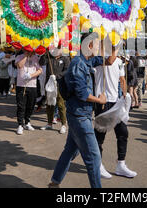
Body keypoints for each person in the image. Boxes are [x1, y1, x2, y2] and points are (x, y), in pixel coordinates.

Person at [49, 32, 117, 188]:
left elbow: (109, 61)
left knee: (70, 151)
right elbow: (82, 93)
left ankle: (54, 183)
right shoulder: (78, 63)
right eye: (98, 44)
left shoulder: (88, 60)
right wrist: (99, 99)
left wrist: (116, 43)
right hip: (79, 116)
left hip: (81, 114)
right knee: (93, 157)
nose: (100, 47)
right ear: (90, 45)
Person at [94, 44, 136, 179]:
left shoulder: (119, 61)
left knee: (123, 132)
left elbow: (122, 80)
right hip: (102, 101)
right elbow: (110, 61)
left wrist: (125, 95)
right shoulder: (100, 59)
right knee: (100, 135)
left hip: (116, 102)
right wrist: (118, 43)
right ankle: (98, 164)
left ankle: (121, 165)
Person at [41, 46, 70, 134]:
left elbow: (67, 70)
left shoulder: (65, 58)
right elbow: (41, 62)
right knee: (49, 103)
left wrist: (57, 76)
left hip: (60, 84)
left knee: (60, 104)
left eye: (58, 48)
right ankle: (49, 123)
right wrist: (45, 54)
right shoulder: (49, 57)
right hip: (49, 84)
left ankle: (64, 124)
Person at [15, 49, 43, 135]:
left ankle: (27, 122)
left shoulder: (35, 58)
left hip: (32, 85)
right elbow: (19, 65)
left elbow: (40, 70)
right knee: (21, 105)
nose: (30, 52)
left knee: (30, 105)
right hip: (21, 85)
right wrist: (26, 56)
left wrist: (31, 75)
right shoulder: (19, 57)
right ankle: (20, 124)